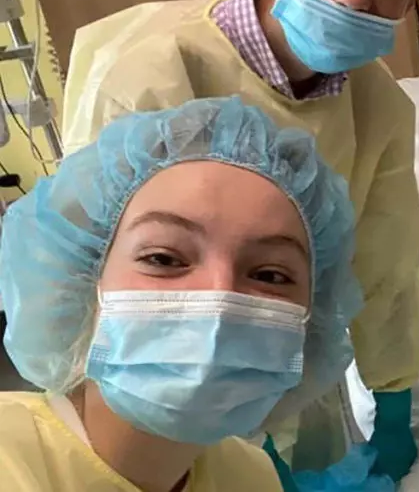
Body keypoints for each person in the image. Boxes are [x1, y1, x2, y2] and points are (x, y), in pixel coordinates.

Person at [59, 0, 419, 479]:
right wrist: (227, 439)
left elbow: (386, 263)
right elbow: (97, 277)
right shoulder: (155, 79)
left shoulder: (378, 108)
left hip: (291, 371)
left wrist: (394, 396)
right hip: (149, 382)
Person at [0, 96, 384, 492]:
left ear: (313, 320)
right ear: (83, 278)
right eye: (163, 258)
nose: (219, 300)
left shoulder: (253, 476)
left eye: (270, 275)